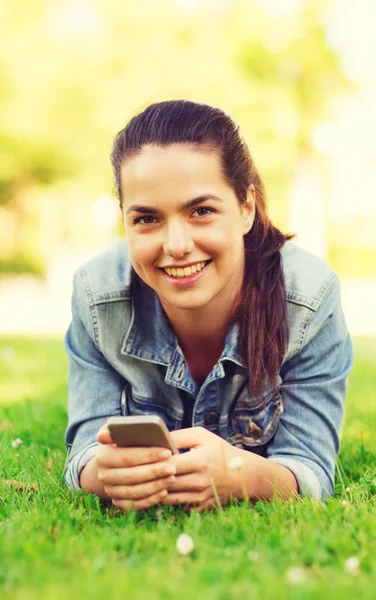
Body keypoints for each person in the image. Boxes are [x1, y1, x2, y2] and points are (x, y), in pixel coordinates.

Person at [64, 100, 353, 512]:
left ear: (246, 209)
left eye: (201, 211)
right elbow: (85, 452)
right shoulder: (98, 295)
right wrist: (106, 474)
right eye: (147, 219)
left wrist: (240, 474)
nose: (177, 246)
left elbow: (310, 468)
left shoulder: (307, 299)